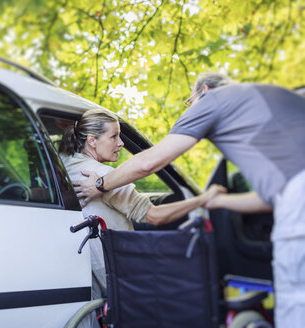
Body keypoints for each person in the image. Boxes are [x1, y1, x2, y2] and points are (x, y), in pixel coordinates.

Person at [73, 73, 305, 328]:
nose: (189, 109)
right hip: (293, 199)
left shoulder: (213, 99)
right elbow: (269, 200)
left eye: (189, 102)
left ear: (204, 90)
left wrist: (100, 184)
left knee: (296, 302)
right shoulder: (270, 96)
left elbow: (150, 162)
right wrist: (213, 202)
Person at [59, 108, 225, 299]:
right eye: (114, 136)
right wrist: (203, 199)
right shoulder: (104, 177)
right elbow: (155, 217)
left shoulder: (63, 165)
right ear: (92, 140)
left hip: (90, 274)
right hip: (122, 276)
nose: (121, 143)